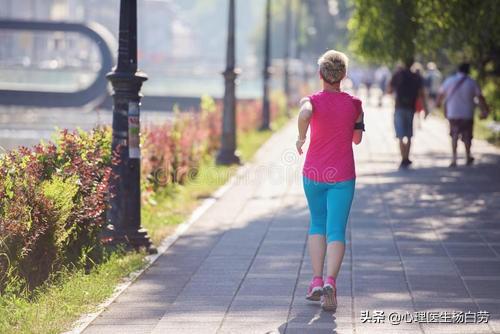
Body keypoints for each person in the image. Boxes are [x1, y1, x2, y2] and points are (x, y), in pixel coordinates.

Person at [296, 50, 364, 312]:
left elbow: (304, 114)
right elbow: (356, 139)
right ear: (344, 75)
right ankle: (330, 283)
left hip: (314, 173)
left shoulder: (311, 100)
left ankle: (315, 280)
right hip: (343, 174)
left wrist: (301, 138)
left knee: (317, 223)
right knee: (336, 229)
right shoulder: (355, 104)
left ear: (320, 74)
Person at [436, 63, 490, 167]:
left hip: (453, 113)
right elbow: (480, 97)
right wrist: (485, 110)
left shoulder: (449, 80)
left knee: (454, 136)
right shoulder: (472, 82)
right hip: (467, 113)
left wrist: (438, 104)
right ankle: (468, 156)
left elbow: (440, 95)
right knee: (467, 136)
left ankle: (454, 158)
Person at [387, 58, 429, 168]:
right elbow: (422, 93)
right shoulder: (416, 76)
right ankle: (407, 157)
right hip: (411, 108)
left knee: (400, 135)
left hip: (399, 107)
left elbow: (389, 90)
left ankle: (403, 158)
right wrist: (426, 108)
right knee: (409, 134)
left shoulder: (398, 75)